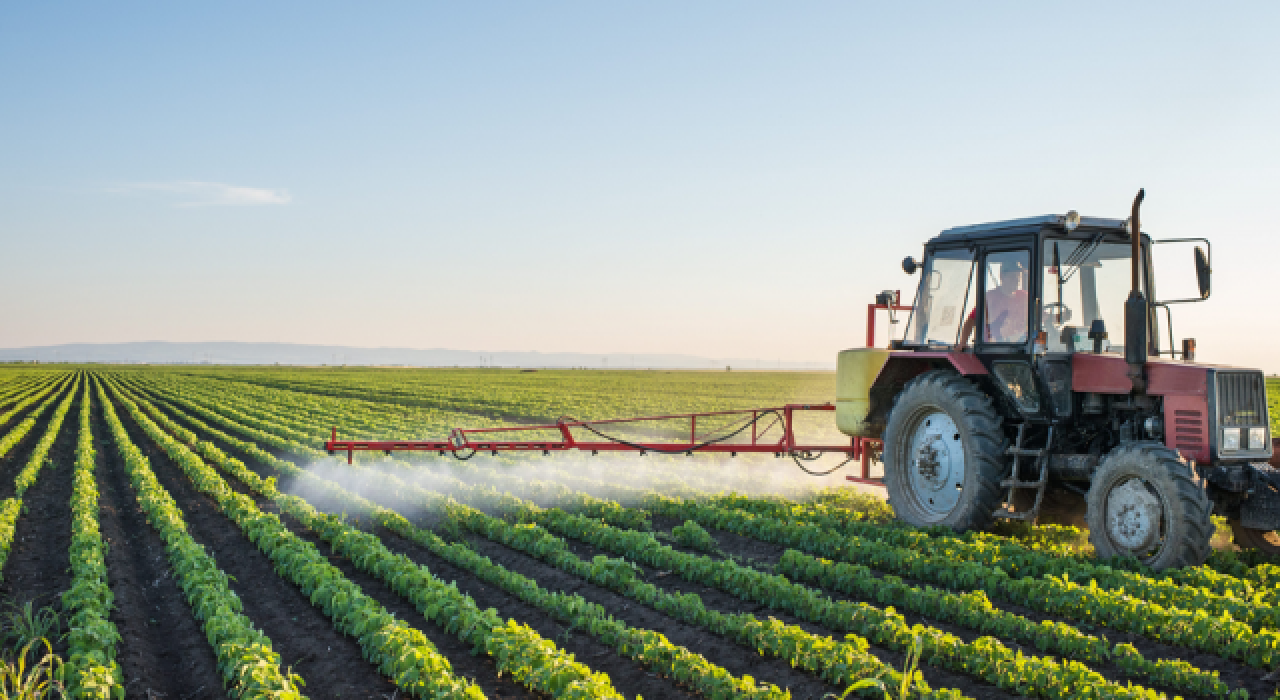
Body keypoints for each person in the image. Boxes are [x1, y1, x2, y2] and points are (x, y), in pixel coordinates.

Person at [958, 259, 1028, 347]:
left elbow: (1039, 315)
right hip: (994, 348)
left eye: (1018, 276)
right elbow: (971, 320)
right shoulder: (991, 298)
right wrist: (963, 343)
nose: (1017, 280)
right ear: (1002, 277)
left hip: (1020, 347)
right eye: (1013, 276)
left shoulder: (1025, 297)